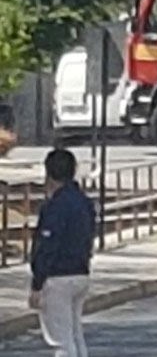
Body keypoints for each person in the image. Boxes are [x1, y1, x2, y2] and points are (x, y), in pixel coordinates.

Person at [29, 149, 95, 357]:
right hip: (81, 272)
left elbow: (48, 245)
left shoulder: (55, 206)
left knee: (60, 341)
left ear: (49, 175)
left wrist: (37, 283)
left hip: (57, 277)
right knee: (75, 335)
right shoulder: (85, 202)